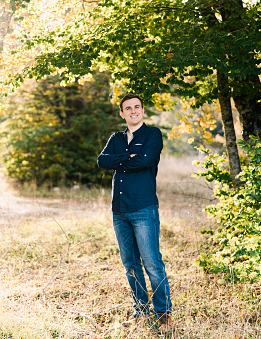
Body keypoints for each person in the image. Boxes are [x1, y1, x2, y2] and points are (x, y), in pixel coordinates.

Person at [97, 93, 172, 334]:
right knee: (130, 265)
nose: (133, 111)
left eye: (136, 107)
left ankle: (163, 314)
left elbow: (144, 161)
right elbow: (101, 161)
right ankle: (141, 311)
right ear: (122, 113)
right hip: (119, 210)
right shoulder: (116, 138)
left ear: (142, 110)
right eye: (127, 108)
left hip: (143, 208)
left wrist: (120, 160)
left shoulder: (153, 135)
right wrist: (126, 157)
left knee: (152, 263)